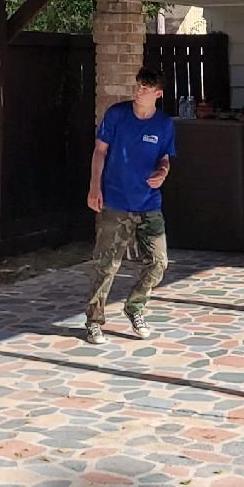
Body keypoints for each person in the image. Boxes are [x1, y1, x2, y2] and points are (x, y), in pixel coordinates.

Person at [84, 68, 175, 345]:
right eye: (137, 86)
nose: (138, 92)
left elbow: (165, 158)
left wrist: (163, 172)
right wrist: (94, 187)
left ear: (157, 94)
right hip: (115, 201)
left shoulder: (163, 125)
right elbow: (100, 151)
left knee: (159, 262)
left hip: (148, 203)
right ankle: (94, 321)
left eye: (145, 89)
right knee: (107, 263)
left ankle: (135, 307)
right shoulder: (117, 115)